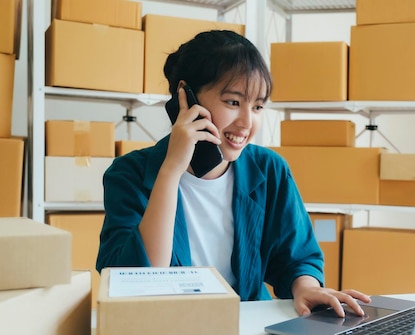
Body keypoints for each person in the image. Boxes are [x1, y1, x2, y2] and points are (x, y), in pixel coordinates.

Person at [95, 30, 370, 317]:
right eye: (233, 102)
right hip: (168, 329)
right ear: (185, 98)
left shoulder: (268, 169)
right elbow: (134, 280)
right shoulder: (129, 174)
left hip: (247, 328)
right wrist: (171, 171)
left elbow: (297, 256)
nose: (247, 123)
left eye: (258, 106)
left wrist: (306, 287)